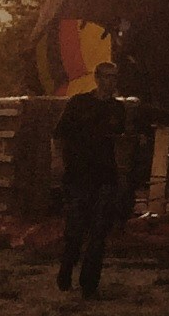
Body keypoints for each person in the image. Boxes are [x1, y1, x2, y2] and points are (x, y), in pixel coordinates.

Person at [54, 65, 130, 300]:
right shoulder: (78, 104)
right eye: (107, 77)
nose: (111, 82)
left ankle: (89, 284)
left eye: (115, 78)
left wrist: (123, 174)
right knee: (75, 230)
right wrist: (57, 163)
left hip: (105, 177)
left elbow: (121, 142)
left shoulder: (118, 109)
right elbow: (58, 136)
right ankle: (66, 269)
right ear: (97, 79)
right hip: (79, 176)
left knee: (99, 231)